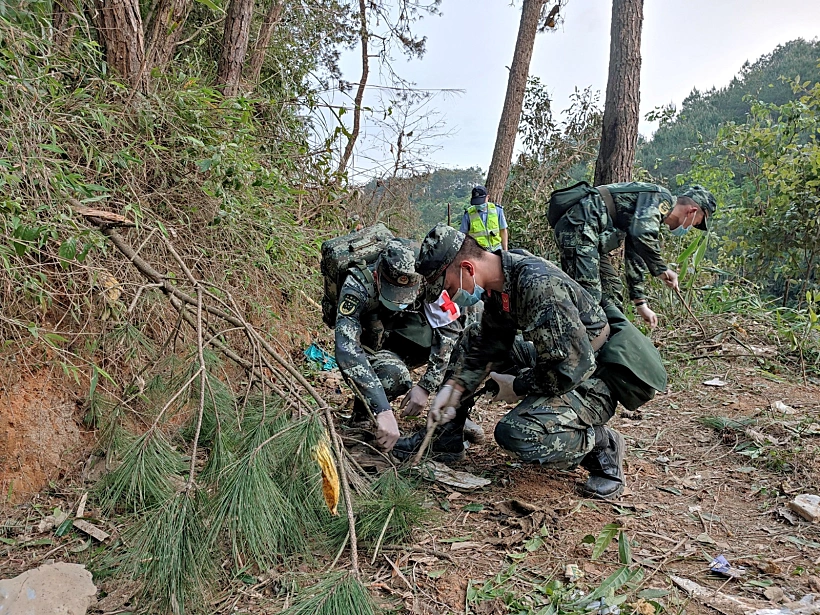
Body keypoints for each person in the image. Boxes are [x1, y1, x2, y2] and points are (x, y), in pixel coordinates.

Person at [396, 224, 666, 499]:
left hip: (594, 376)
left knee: (517, 433)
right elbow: (491, 341)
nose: (450, 296)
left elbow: (570, 370)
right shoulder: (500, 280)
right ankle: (445, 438)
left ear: (467, 268)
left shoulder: (538, 286)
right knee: (473, 337)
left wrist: (517, 385)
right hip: (558, 358)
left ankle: (602, 445)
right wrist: (455, 388)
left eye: (449, 287)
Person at [335, 238, 474, 451]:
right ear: (377, 276)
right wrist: (382, 409)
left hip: (403, 336)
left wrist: (426, 386)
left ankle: (450, 423)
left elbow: (449, 331)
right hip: (370, 343)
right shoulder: (357, 286)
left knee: (467, 338)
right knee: (393, 375)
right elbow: (347, 350)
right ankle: (364, 414)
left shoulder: (428, 277)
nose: (400, 301)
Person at [550, 183, 716, 328]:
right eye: (696, 223)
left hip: (589, 234)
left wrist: (640, 303)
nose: (691, 227)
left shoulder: (652, 213)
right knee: (589, 297)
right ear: (692, 211)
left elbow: (635, 251)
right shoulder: (661, 198)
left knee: (612, 289)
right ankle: (571, 345)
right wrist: (662, 270)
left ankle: (613, 343)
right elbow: (641, 234)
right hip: (579, 227)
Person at [459, 185, 509, 253]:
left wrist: (505, 250)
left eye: (481, 201)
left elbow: (503, 230)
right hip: (478, 252)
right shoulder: (468, 214)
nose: (479, 204)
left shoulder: (497, 210)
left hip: (496, 250)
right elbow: (463, 235)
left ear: (487, 197)